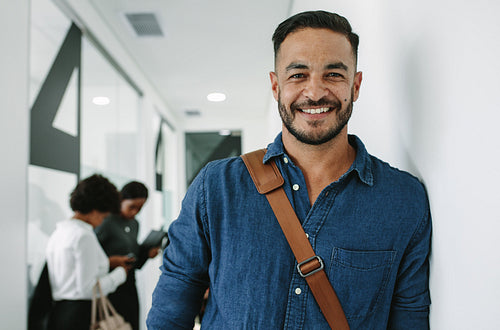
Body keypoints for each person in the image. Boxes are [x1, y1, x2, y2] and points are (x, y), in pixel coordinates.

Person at [147, 10, 431, 329]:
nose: (314, 92)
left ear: (356, 85)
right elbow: (172, 309)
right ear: (275, 86)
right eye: (298, 75)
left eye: (334, 74)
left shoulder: (403, 199)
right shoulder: (215, 187)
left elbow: (409, 318)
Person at [45, 174, 133, 330]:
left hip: (58, 313)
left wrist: (109, 262)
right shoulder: (84, 236)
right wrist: (120, 274)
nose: (103, 220)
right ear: (94, 209)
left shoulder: (59, 232)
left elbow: (70, 272)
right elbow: (88, 290)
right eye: (104, 215)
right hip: (80, 315)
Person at [95, 181, 160, 330]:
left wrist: (146, 254)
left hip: (129, 283)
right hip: (110, 284)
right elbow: (93, 256)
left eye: (139, 208)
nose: (135, 212)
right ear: (121, 200)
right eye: (132, 207)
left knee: (130, 325)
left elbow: (135, 259)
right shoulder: (106, 221)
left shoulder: (134, 224)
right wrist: (110, 262)